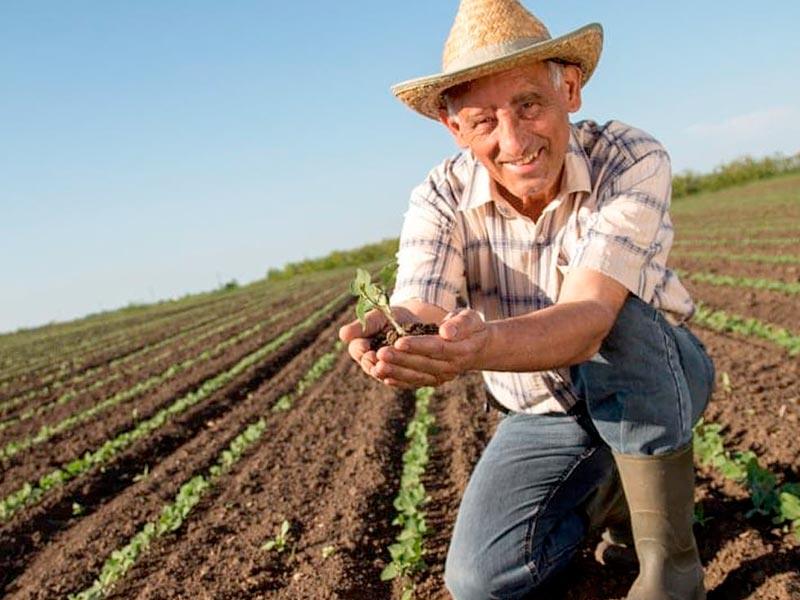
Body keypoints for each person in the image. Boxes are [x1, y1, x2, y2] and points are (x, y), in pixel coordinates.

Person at [339, 1, 715, 598]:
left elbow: (591, 319)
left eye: (529, 105)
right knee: (479, 582)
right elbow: (424, 302)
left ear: (569, 88)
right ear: (454, 127)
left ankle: (672, 571)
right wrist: (402, 332)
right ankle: (613, 492)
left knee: (619, 318)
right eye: (483, 120)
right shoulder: (439, 197)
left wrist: (482, 344)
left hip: (660, 383)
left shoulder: (628, 157)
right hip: (542, 412)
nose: (514, 141)